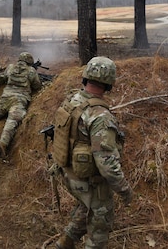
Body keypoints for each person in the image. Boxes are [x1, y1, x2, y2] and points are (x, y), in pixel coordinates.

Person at [51, 56, 133, 249]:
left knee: (86, 206)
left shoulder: (71, 100)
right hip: (88, 181)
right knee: (99, 227)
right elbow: (106, 164)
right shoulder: (100, 116)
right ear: (109, 84)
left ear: (86, 78)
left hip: (67, 173)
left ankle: (65, 242)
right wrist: (124, 189)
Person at [0, 52, 42, 158]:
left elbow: (5, 76)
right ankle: (3, 143)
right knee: (11, 121)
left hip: (5, 99)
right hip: (19, 100)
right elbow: (37, 86)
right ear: (30, 62)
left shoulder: (10, 67)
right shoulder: (31, 71)